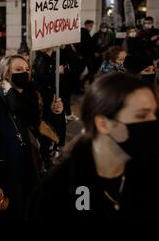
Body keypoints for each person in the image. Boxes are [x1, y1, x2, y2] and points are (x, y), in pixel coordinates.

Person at [28, 72, 159, 220]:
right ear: (103, 124)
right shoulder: (58, 189)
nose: (153, 122)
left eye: (155, 114)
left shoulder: (149, 172)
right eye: (141, 116)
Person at [0, 55, 64, 221]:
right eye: (18, 69)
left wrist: (55, 113)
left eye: (26, 69)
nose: (24, 73)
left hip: (33, 171)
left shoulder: (32, 99)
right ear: (6, 73)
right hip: (8, 178)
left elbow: (43, 132)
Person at [32, 48, 67, 147]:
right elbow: (42, 79)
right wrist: (56, 73)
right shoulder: (42, 59)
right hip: (46, 99)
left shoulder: (49, 58)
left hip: (50, 99)